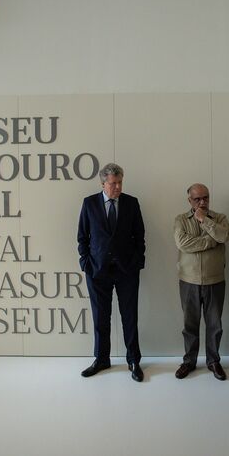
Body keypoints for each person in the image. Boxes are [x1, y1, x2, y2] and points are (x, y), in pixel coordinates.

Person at [77, 163, 146, 382]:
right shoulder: (89, 203)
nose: (117, 187)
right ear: (103, 183)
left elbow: (139, 237)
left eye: (120, 183)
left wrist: (137, 262)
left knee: (129, 317)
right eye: (113, 183)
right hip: (97, 271)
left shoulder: (131, 203)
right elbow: (82, 237)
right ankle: (101, 359)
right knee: (100, 318)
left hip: (127, 271)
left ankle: (133, 360)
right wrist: (86, 263)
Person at [173, 183, 229, 380]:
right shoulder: (181, 220)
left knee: (214, 325)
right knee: (190, 325)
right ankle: (189, 361)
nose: (202, 202)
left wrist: (204, 220)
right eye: (197, 199)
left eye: (205, 197)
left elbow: (225, 235)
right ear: (189, 200)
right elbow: (182, 243)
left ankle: (213, 361)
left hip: (215, 280)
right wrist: (210, 241)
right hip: (188, 281)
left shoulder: (219, 218)